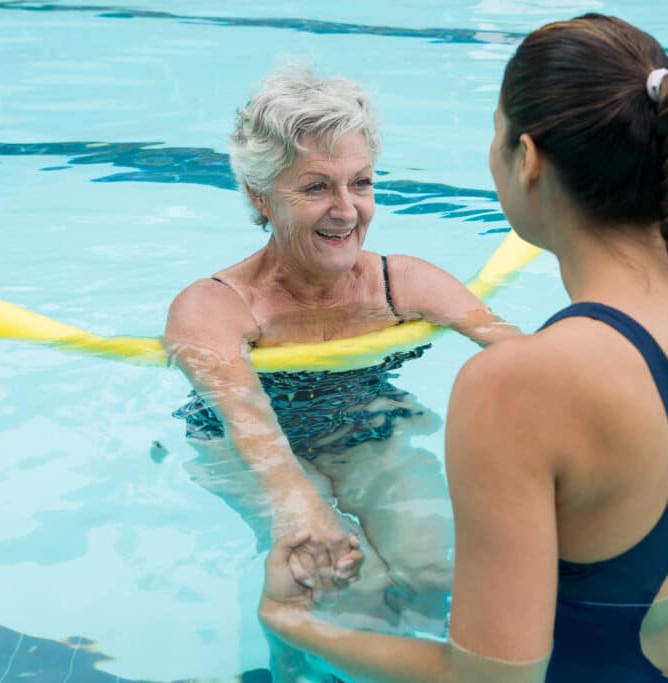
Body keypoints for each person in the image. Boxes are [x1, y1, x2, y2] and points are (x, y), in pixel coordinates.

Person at [257, 13, 668, 683]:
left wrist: (298, 625)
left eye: (495, 137)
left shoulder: (515, 385)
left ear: (527, 159)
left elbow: (490, 679)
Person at [162, 66, 519, 681]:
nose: (346, 211)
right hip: (245, 447)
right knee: (349, 589)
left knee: (437, 580)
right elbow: (246, 418)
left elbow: (515, 350)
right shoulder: (214, 305)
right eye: (317, 188)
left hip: (364, 424)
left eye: (361, 183)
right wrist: (298, 502)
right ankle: (287, 665)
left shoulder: (399, 282)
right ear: (259, 194)